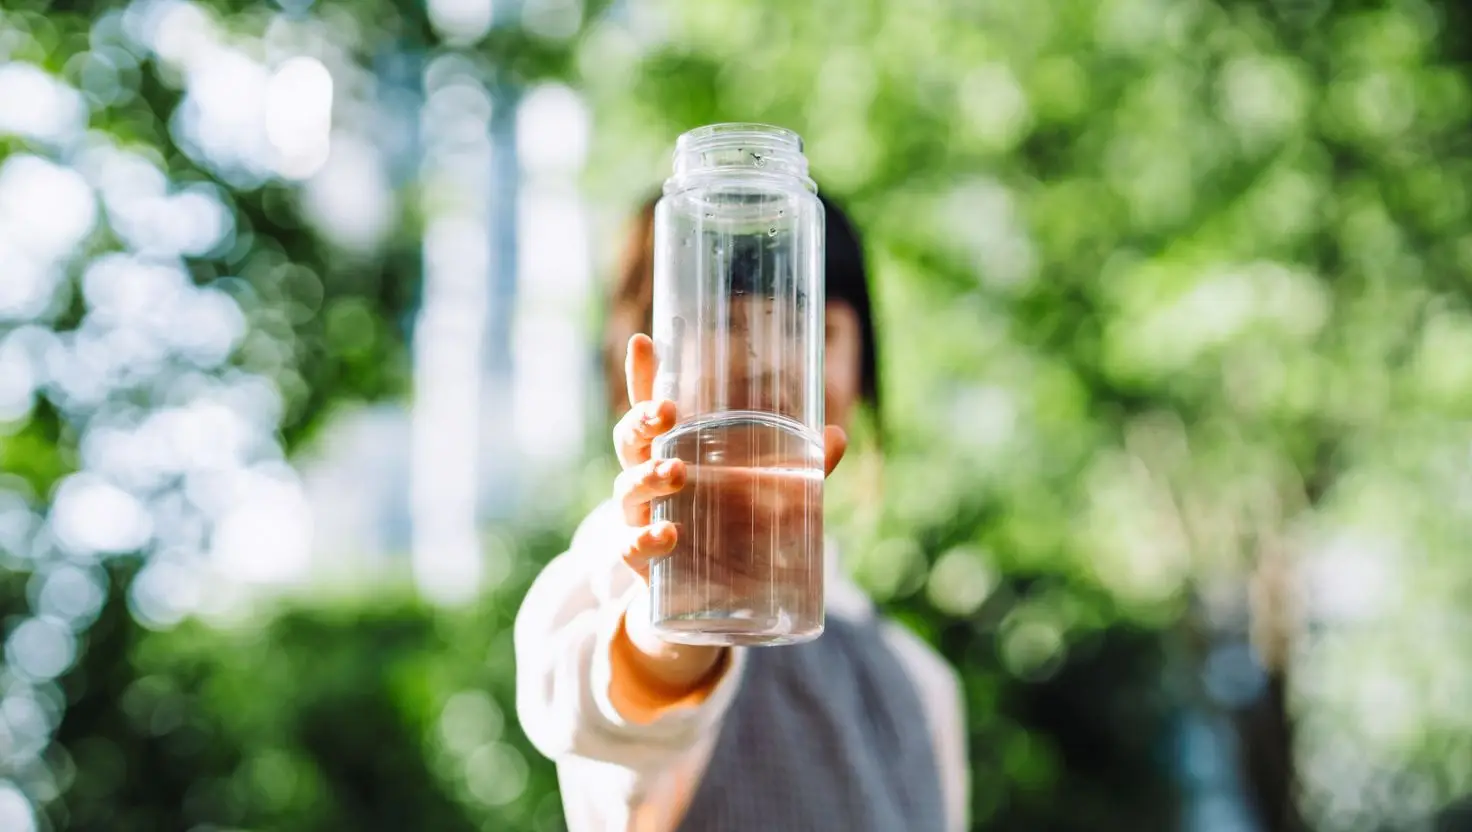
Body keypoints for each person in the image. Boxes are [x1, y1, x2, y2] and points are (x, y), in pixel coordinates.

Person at [515, 192, 968, 831]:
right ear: (646, 364)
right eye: (724, 324)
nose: (769, 363)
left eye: (811, 328)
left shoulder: (922, 685)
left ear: (864, 369)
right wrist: (677, 613)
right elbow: (596, 706)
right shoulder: (624, 568)